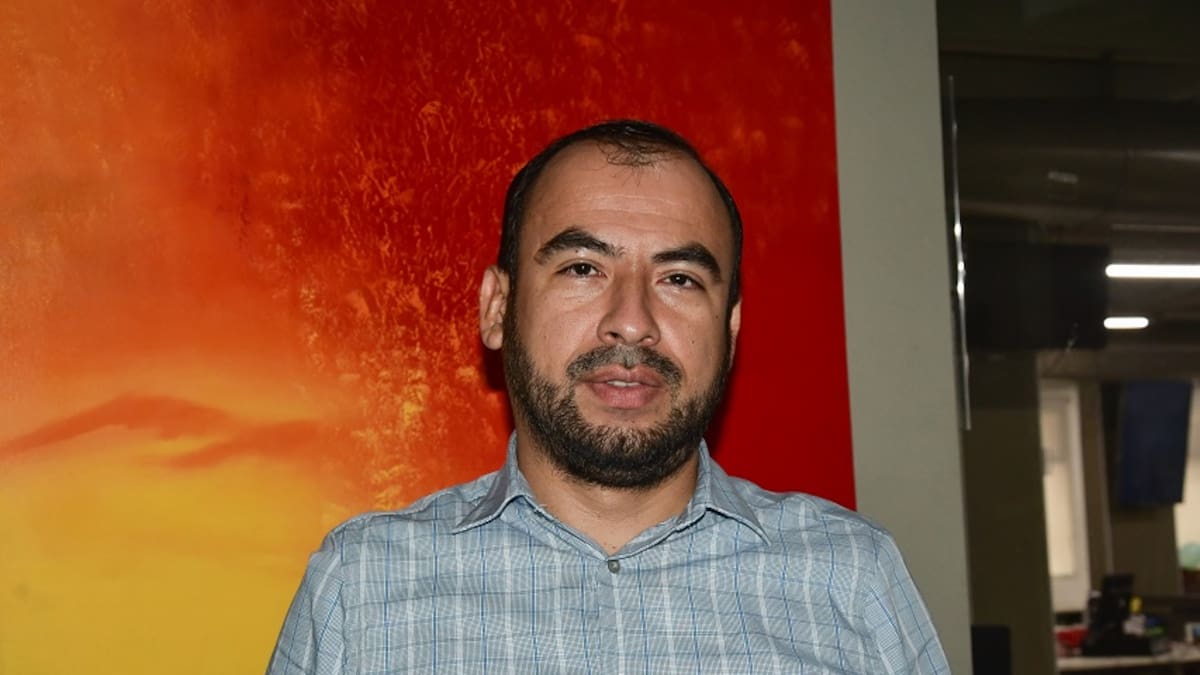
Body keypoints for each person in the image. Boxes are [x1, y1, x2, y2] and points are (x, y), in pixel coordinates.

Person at [266, 120, 950, 674]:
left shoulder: (852, 580)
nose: (632, 321)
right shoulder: (361, 588)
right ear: (497, 308)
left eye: (679, 279)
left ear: (731, 328)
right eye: (583, 268)